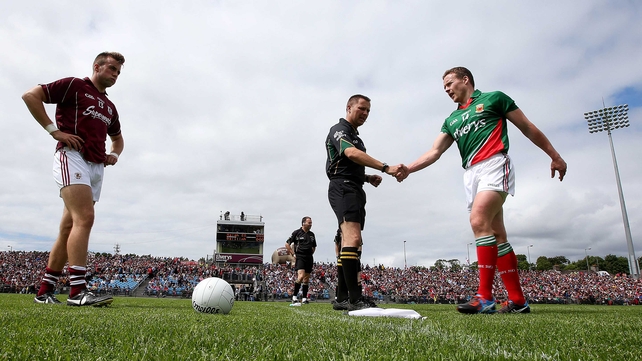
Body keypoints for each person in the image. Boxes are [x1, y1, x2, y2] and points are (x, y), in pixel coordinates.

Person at [397, 67, 567, 314]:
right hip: (471, 174)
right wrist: (409, 168)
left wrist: (555, 156)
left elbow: (527, 127)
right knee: (497, 235)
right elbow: (435, 152)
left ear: (465, 80)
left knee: (478, 220)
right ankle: (518, 301)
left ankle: (484, 297)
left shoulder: (494, 98)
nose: (446, 89)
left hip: (495, 164)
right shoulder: (451, 120)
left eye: (449, 83)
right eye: (443, 86)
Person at [22, 51, 126, 307]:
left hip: (95, 166)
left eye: (118, 72)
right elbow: (31, 96)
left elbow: (118, 139)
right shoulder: (74, 85)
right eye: (112, 68)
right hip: (72, 156)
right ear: (97, 66)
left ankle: (44, 291)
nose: (115, 75)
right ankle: (77, 291)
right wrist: (54, 131)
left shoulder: (110, 107)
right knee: (85, 218)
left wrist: (113, 154)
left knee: (69, 227)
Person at [326, 94, 407, 311]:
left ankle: (343, 298)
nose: (365, 113)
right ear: (349, 107)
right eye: (361, 108)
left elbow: (346, 163)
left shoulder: (356, 136)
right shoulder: (339, 130)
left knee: (351, 242)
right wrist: (384, 167)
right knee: (353, 238)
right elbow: (350, 153)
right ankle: (355, 300)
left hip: (354, 187)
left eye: (368, 110)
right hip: (343, 187)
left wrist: (367, 178)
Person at [285, 216, 317, 304]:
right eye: (309, 223)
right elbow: (287, 244)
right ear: (303, 223)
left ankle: (304, 298)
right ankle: (294, 296)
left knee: (306, 279)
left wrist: (311, 253)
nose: (311, 224)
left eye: (311, 222)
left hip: (309, 257)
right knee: (301, 276)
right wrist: (293, 253)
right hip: (300, 257)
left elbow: (314, 246)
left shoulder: (312, 235)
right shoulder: (297, 233)